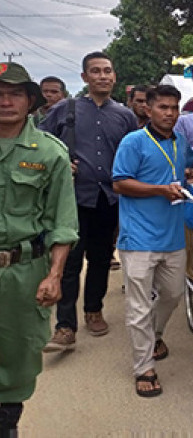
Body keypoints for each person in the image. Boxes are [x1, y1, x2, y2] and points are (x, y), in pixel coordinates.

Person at [40, 51, 138, 350]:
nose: (103, 76)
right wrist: (58, 163)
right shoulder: (64, 109)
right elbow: (41, 143)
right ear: (84, 77)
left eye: (107, 70)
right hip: (72, 199)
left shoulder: (125, 116)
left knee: (99, 259)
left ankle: (94, 310)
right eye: (95, 71)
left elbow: (137, 152)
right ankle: (65, 326)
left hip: (108, 200)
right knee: (69, 262)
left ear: (115, 76)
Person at [0, 62, 78, 434]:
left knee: (16, 360)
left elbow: (62, 222)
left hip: (21, 272)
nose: (5, 101)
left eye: (14, 93)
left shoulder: (50, 153)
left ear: (30, 100)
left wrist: (55, 274)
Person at [112, 84, 193, 397]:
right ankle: (143, 367)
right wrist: (159, 189)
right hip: (138, 238)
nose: (170, 114)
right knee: (138, 304)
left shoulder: (181, 141)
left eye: (174, 108)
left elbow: (187, 165)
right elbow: (119, 182)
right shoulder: (133, 142)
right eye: (163, 107)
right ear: (148, 108)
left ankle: (155, 334)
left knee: (173, 294)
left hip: (173, 235)